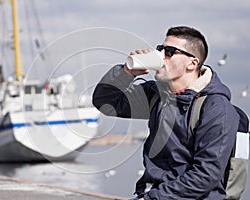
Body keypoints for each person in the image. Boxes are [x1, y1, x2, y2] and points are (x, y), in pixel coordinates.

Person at [92, 26, 240, 199]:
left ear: (192, 63)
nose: (161, 56)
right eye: (160, 49)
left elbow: (205, 176)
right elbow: (105, 102)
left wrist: (152, 198)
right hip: (151, 194)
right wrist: (126, 72)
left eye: (169, 52)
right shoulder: (157, 95)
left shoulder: (216, 108)